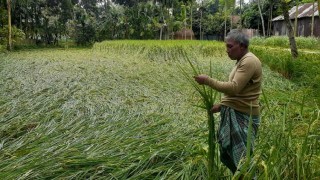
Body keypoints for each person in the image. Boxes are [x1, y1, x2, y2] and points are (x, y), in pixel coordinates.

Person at [194, 29, 262, 174]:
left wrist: (207, 80)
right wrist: (222, 105)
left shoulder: (249, 61)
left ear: (242, 46)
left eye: (230, 46)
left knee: (243, 162)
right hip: (237, 110)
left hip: (244, 115)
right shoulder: (241, 60)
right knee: (234, 157)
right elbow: (241, 92)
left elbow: (234, 88)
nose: (227, 50)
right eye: (226, 46)